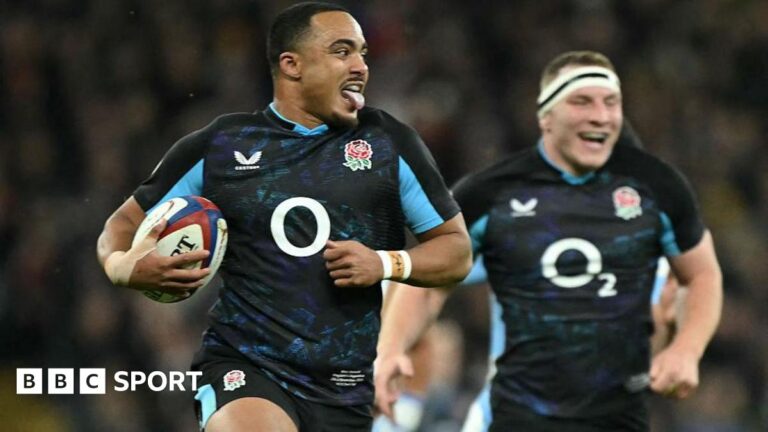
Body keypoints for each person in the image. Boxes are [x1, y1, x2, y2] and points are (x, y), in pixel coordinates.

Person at [96, 3, 472, 431]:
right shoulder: (223, 146)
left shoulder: (388, 144)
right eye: (342, 51)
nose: (360, 66)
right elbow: (119, 227)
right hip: (246, 366)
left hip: (346, 387)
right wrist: (123, 267)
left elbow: (456, 252)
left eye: (362, 53)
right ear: (292, 65)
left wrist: (386, 263)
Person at [374, 50, 722, 432]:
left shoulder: (658, 197)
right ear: (546, 116)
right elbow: (426, 280)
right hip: (513, 417)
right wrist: (389, 350)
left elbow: (701, 275)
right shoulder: (492, 195)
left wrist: (686, 348)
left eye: (610, 103)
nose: (600, 116)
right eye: (582, 102)